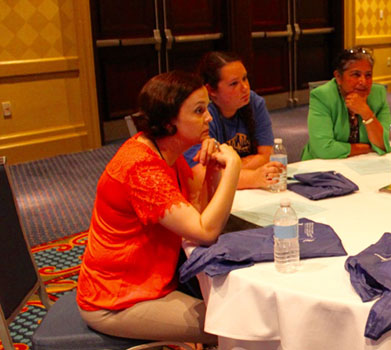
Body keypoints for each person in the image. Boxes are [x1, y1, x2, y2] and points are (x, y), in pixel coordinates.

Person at [77, 71, 242, 344]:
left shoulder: (166, 154)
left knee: (238, 310)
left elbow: (198, 214)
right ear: (168, 122)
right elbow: (205, 231)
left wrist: (213, 172)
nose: (209, 118)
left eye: (207, 109)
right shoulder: (142, 168)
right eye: (199, 111)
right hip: (118, 300)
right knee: (234, 324)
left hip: (152, 282)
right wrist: (233, 167)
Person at [183, 51, 282, 189]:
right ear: (211, 90)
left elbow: (266, 156)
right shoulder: (202, 115)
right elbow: (201, 176)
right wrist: (253, 177)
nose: (245, 88)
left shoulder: (254, 103)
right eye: (234, 83)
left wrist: (229, 167)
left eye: (245, 78)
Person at [302, 47, 391, 160]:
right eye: (356, 75)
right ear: (338, 77)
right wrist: (368, 148)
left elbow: (388, 143)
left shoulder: (378, 94)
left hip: (363, 164)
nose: (363, 81)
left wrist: (366, 112)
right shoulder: (322, 96)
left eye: (368, 75)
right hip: (323, 166)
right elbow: (324, 149)